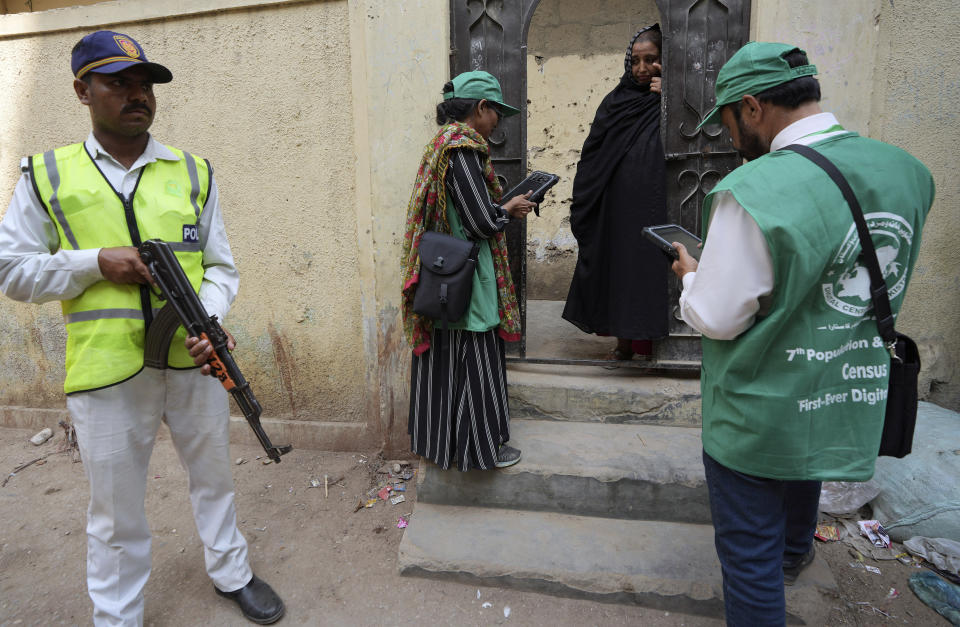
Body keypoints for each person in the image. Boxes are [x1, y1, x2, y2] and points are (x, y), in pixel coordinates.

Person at [0, 31, 284, 625]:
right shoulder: (47, 174)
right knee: (114, 512)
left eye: (146, 84)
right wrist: (95, 262)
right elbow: (11, 270)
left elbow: (221, 267)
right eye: (118, 82)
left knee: (214, 480)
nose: (139, 95)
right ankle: (117, 614)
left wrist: (210, 320)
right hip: (107, 371)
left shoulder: (192, 171)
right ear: (83, 91)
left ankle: (231, 572)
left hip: (193, 361)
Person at [670, 42, 934, 625]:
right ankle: (797, 552)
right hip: (841, 384)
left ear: (754, 107)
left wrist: (693, 278)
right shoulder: (908, 172)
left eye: (732, 121)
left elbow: (719, 316)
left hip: (758, 407)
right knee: (804, 465)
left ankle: (779, 565)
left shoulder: (756, 189)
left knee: (748, 558)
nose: (732, 136)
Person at [401, 70, 537, 471]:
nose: (498, 122)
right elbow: (480, 222)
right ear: (480, 108)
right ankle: (481, 450)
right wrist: (509, 209)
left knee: (444, 362)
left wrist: (500, 207)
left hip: (443, 275)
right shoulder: (463, 150)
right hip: (468, 276)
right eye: (496, 112)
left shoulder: (439, 145)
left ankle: (440, 446)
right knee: (474, 358)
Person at [562, 24, 667, 361]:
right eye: (635, 60)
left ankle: (654, 346)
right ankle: (622, 344)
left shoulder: (673, 98)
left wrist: (671, 95)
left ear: (665, 60)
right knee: (621, 269)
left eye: (650, 60)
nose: (641, 68)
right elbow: (595, 151)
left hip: (656, 203)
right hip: (618, 206)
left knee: (650, 271)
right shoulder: (616, 101)